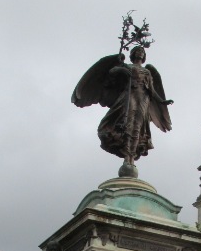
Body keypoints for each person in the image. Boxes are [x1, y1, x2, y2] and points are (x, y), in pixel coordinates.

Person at [72, 45, 173, 178]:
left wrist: (162, 102)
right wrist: (120, 69)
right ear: (132, 54)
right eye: (137, 51)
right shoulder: (126, 66)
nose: (140, 53)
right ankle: (126, 153)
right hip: (128, 96)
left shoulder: (147, 72)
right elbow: (111, 74)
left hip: (143, 98)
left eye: (142, 52)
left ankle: (130, 156)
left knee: (137, 126)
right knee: (128, 123)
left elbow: (152, 90)